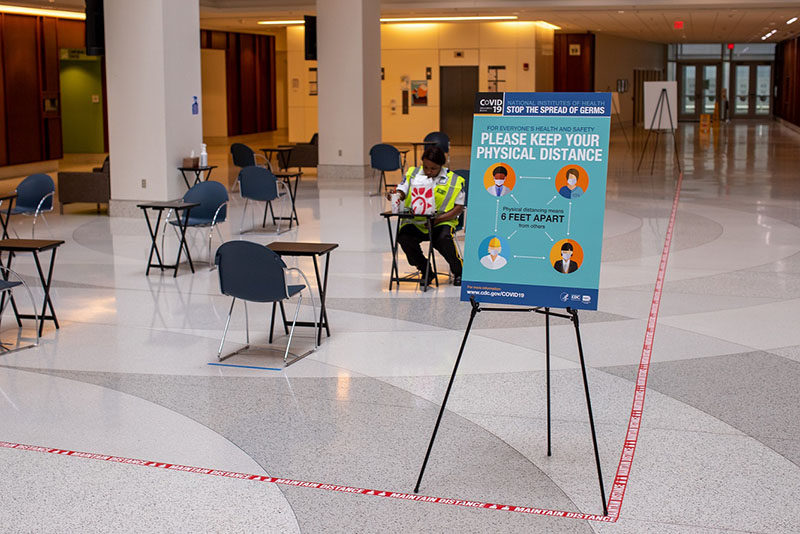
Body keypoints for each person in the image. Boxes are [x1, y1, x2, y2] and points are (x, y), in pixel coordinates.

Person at [389, 146, 465, 287]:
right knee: (404, 238)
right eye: (426, 167)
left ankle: (459, 272)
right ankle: (426, 269)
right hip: (416, 222)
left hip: (441, 222)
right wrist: (396, 196)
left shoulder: (454, 180)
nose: (429, 171)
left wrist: (437, 220)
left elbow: (459, 207)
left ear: (441, 165)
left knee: (443, 239)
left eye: (433, 168)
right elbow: (402, 190)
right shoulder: (413, 173)